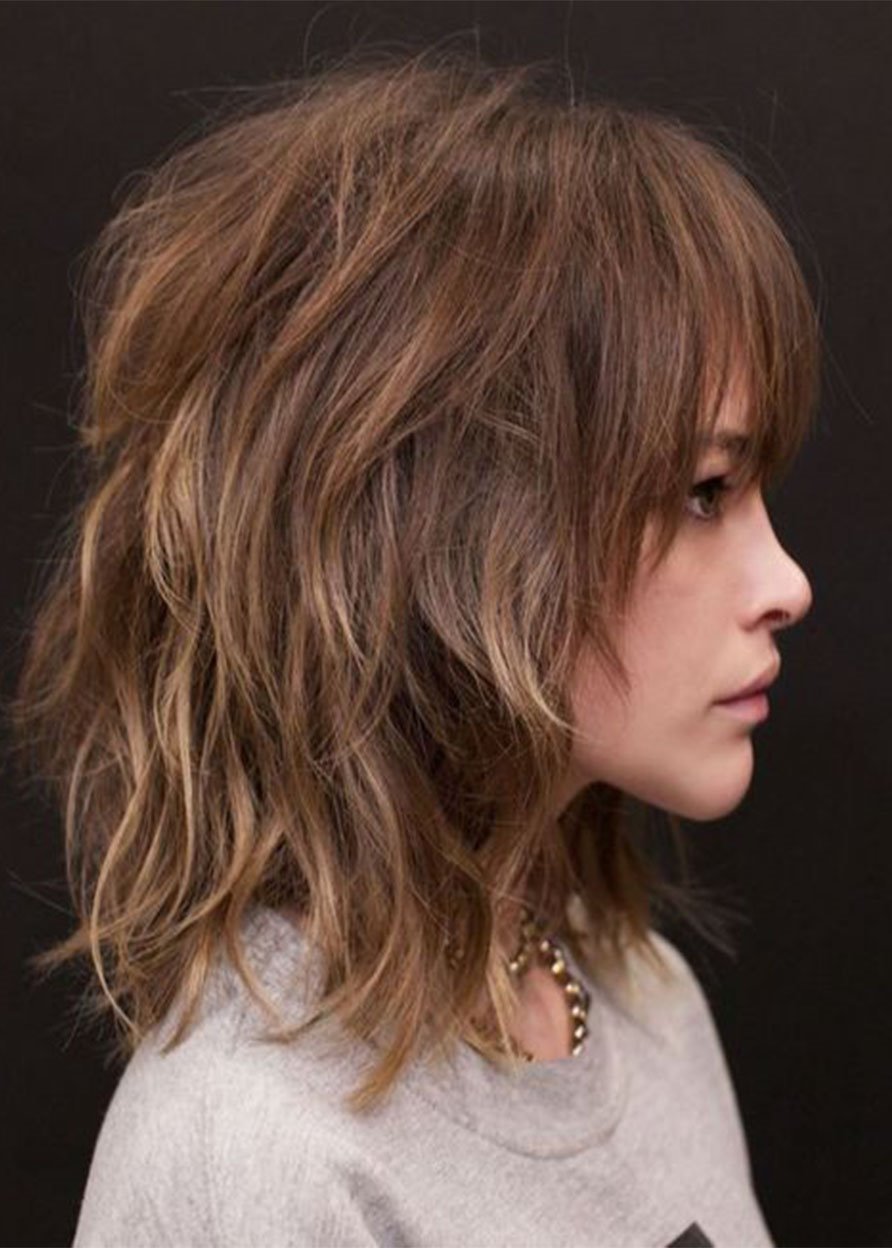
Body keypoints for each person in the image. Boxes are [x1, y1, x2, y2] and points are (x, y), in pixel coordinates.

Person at [9, 44, 819, 1248]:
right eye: (704, 491)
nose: (787, 584)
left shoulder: (644, 1003)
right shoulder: (254, 1156)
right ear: (459, 527)